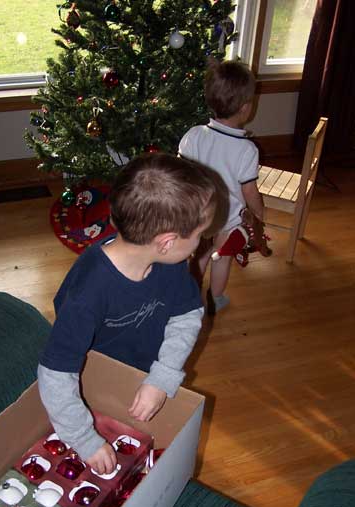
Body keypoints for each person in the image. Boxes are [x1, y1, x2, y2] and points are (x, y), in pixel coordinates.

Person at [37, 153, 228, 475]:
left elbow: (187, 315)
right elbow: (55, 373)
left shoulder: (173, 265)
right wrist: (84, 439)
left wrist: (162, 377)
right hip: (94, 378)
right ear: (166, 242)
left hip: (140, 373)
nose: (200, 244)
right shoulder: (88, 293)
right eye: (198, 235)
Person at [178, 59, 265, 314]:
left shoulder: (193, 135)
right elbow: (250, 191)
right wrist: (259, 213)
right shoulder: (247, 150)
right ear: (245, 108)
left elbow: (181, 175)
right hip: (227, 218)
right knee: (222, 255)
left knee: (200, 254)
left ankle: (189, 299)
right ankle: (215, 298)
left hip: (196, 213)